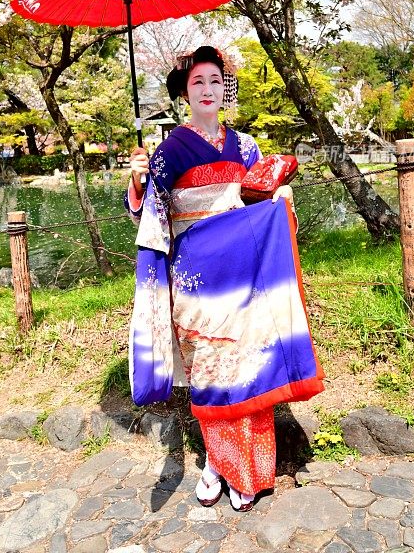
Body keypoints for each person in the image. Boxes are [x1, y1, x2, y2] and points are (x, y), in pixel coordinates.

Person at [126, 46, 324, 512]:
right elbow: (151, 215)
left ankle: (250, 471)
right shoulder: (168, 151)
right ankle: (219, 461)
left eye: (216, 81)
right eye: (198, 83)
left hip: (241, 274)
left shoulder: (245, 145)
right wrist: (138, 182)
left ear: (224, 88)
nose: (209, 90)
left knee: (250, 366)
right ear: (184, 93)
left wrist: (280, 196)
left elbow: (259, 200)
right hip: (196, 277)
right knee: (210, 373)